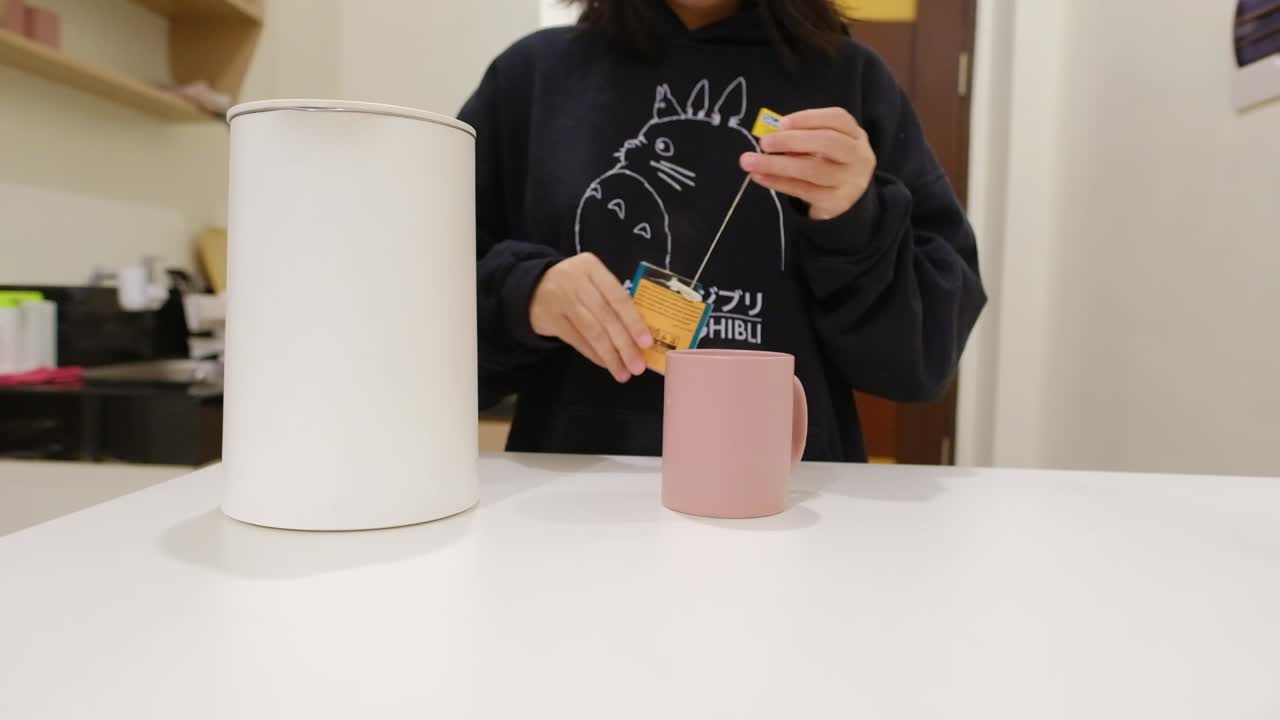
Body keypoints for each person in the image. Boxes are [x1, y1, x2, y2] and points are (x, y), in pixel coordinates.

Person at [463, 0, 986, 461]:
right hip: (573, 501)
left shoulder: (852, 81)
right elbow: (430, 334)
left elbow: (922, 359)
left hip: (786, 499)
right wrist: (526, 294)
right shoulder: (533, 77)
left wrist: (856, 221)